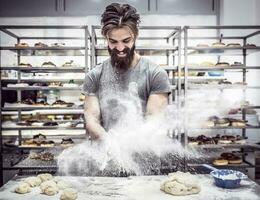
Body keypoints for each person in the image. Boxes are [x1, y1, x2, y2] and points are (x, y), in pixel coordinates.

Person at [83, 3, 171, 141]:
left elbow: (154, 119)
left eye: (126, 41)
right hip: (107, 156)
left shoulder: (155, 73)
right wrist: (110, 143)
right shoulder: (94, 76)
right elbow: (92, 120)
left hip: (145, 156)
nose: (120, 48)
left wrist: (128, 145)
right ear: (106, 39)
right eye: (113, 41)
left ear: (135, 36)